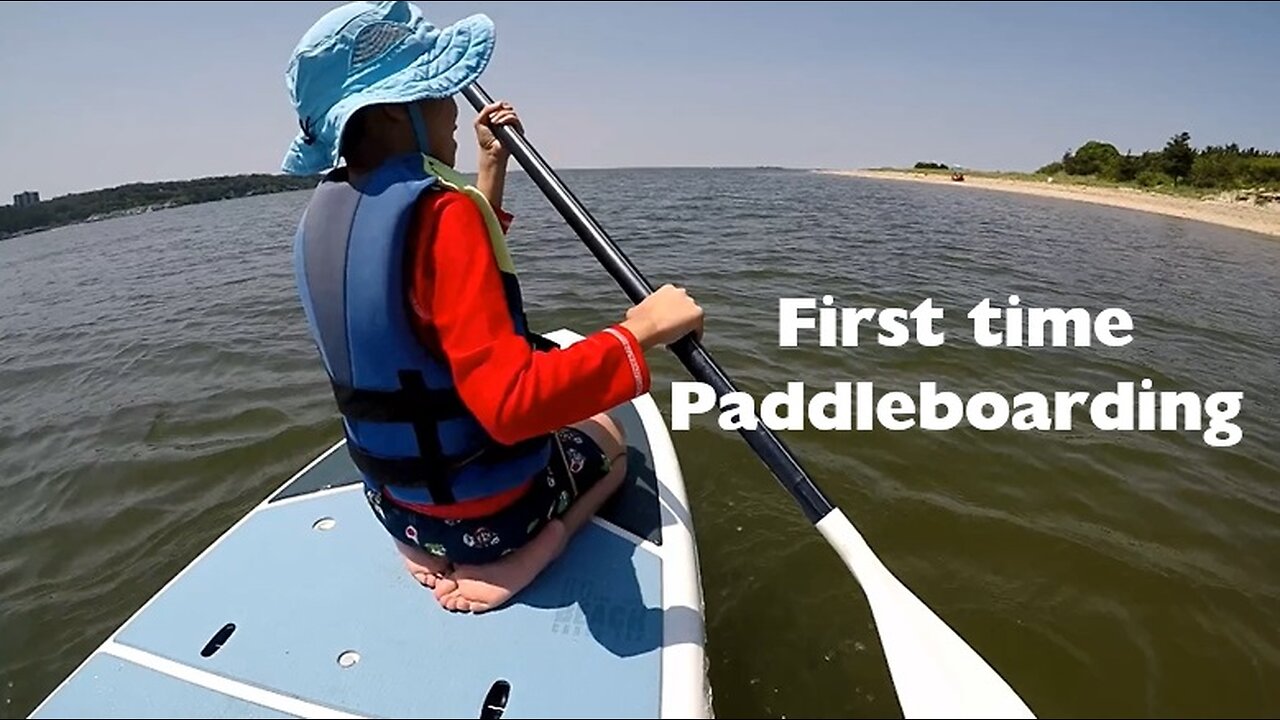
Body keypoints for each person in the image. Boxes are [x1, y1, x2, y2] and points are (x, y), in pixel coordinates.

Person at [280, 0, 704, 614]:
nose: (454, 107)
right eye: (439, 90)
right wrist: (642, 330)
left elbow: (438, 288)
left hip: (393, 508)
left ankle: (423, 545)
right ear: (396, 111)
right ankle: (537, 549)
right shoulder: (441, 215)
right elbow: (512, 408)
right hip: (495, 519)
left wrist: (490, 163)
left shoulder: (318, 224)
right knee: (612, 441)